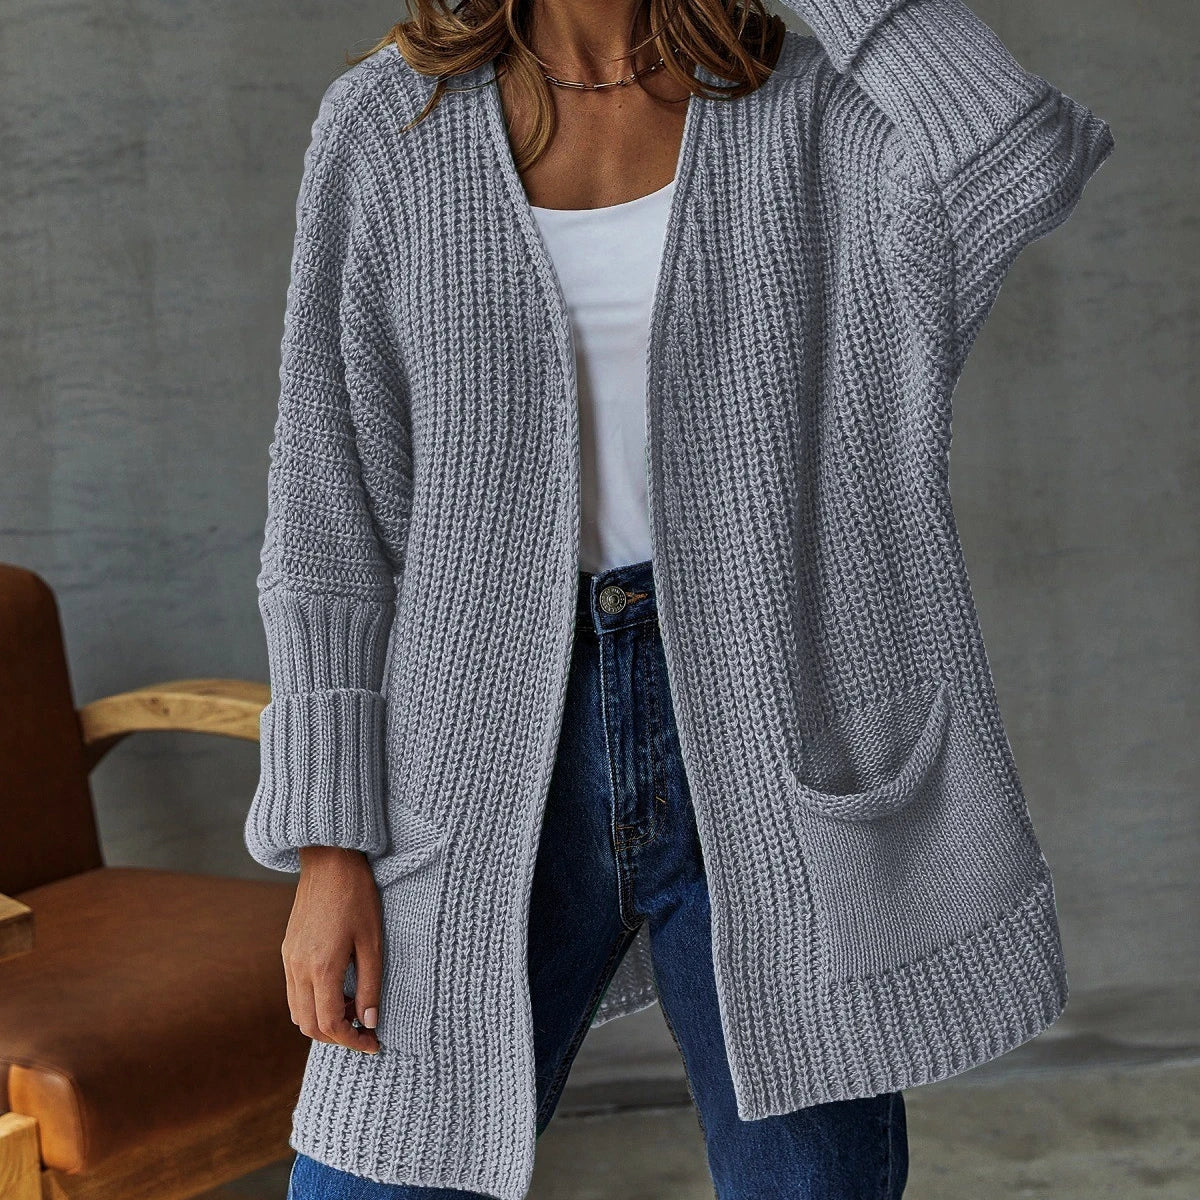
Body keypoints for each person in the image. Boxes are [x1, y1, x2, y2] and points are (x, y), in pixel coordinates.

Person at [243, 0, 1115, 1196]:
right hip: (478, 757)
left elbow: (1021, 150)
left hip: (777, 735)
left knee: (809, 1183)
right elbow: (327, 512)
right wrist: (331, 846)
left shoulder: (811, 107)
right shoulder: (389, 125)